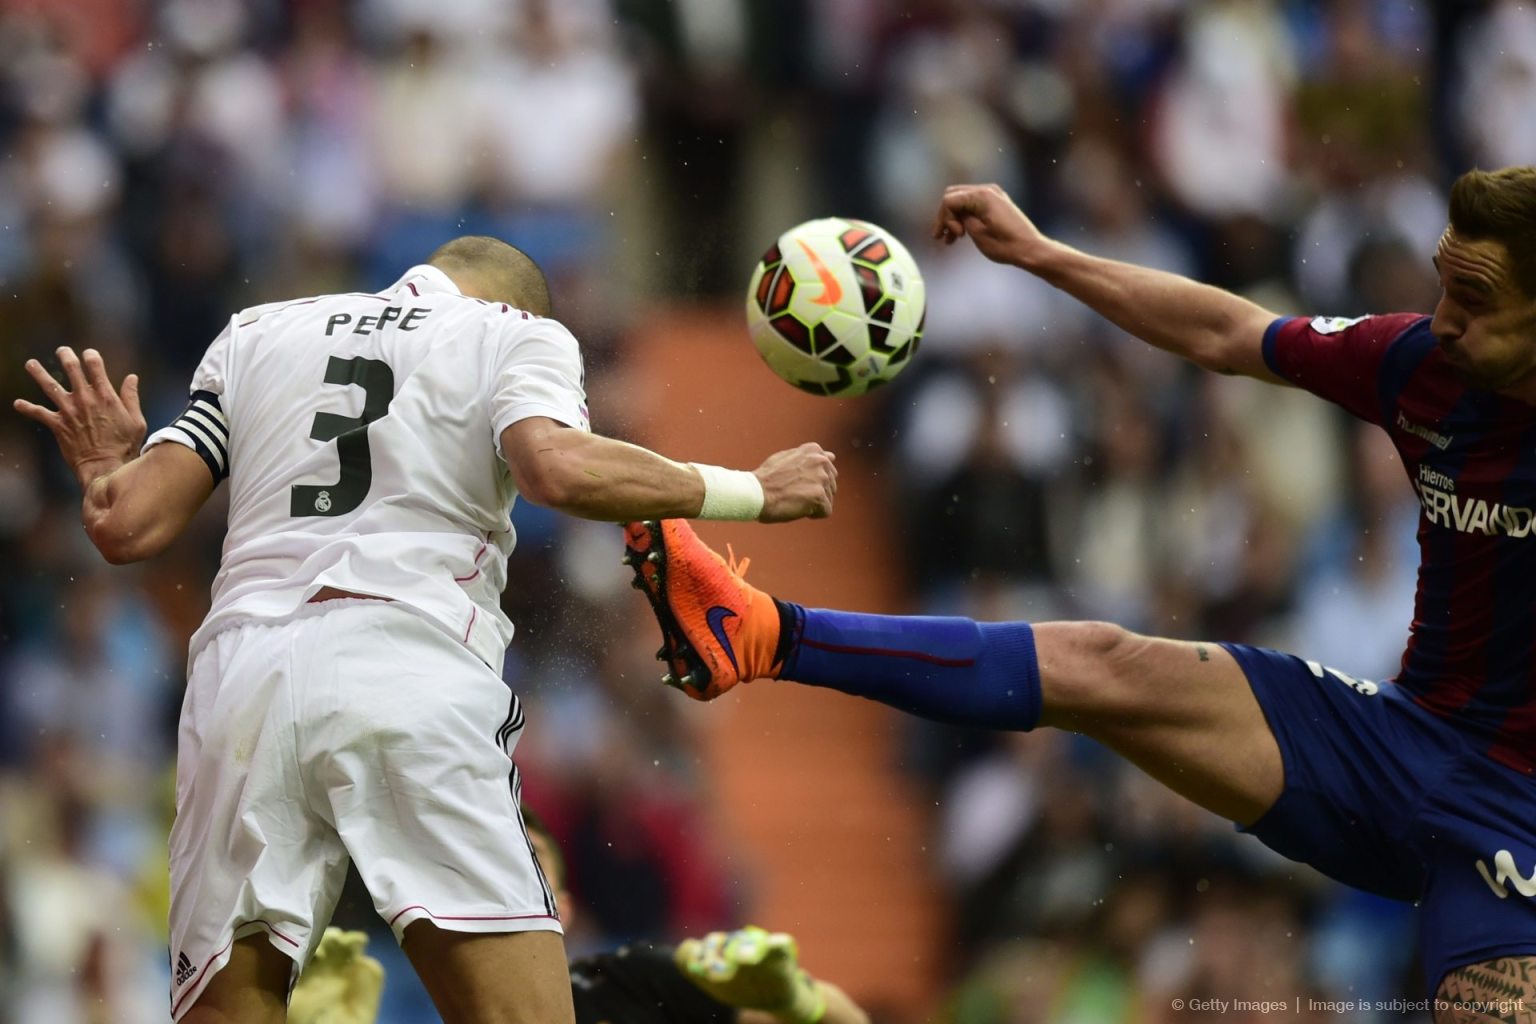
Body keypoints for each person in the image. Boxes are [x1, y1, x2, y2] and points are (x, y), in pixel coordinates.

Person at [625, 166, 1536, 1015]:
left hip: (1519, 820)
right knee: (1104, 661)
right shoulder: (1422, 365)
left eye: (1476, 297)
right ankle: (755, 633)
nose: (1443, 317)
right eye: (1443, 283)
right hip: (1396, 747)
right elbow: (1227, 333)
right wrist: (1040, 254)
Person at [12, 236, 838, 1024]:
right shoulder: (517, 335)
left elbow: (127, 528)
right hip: (406, 661)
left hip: (242, 679)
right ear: (518, 303)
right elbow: (554, 466)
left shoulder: (258, 331)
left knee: (230, 1007)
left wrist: (108, 470)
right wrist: (750, 489)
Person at [286, 808, 869, 1024]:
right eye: (488, 867)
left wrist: (795, 1005)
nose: (505, 885)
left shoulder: (634, 985)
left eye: (527, 865)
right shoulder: (388, 1005)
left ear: (561, 909)